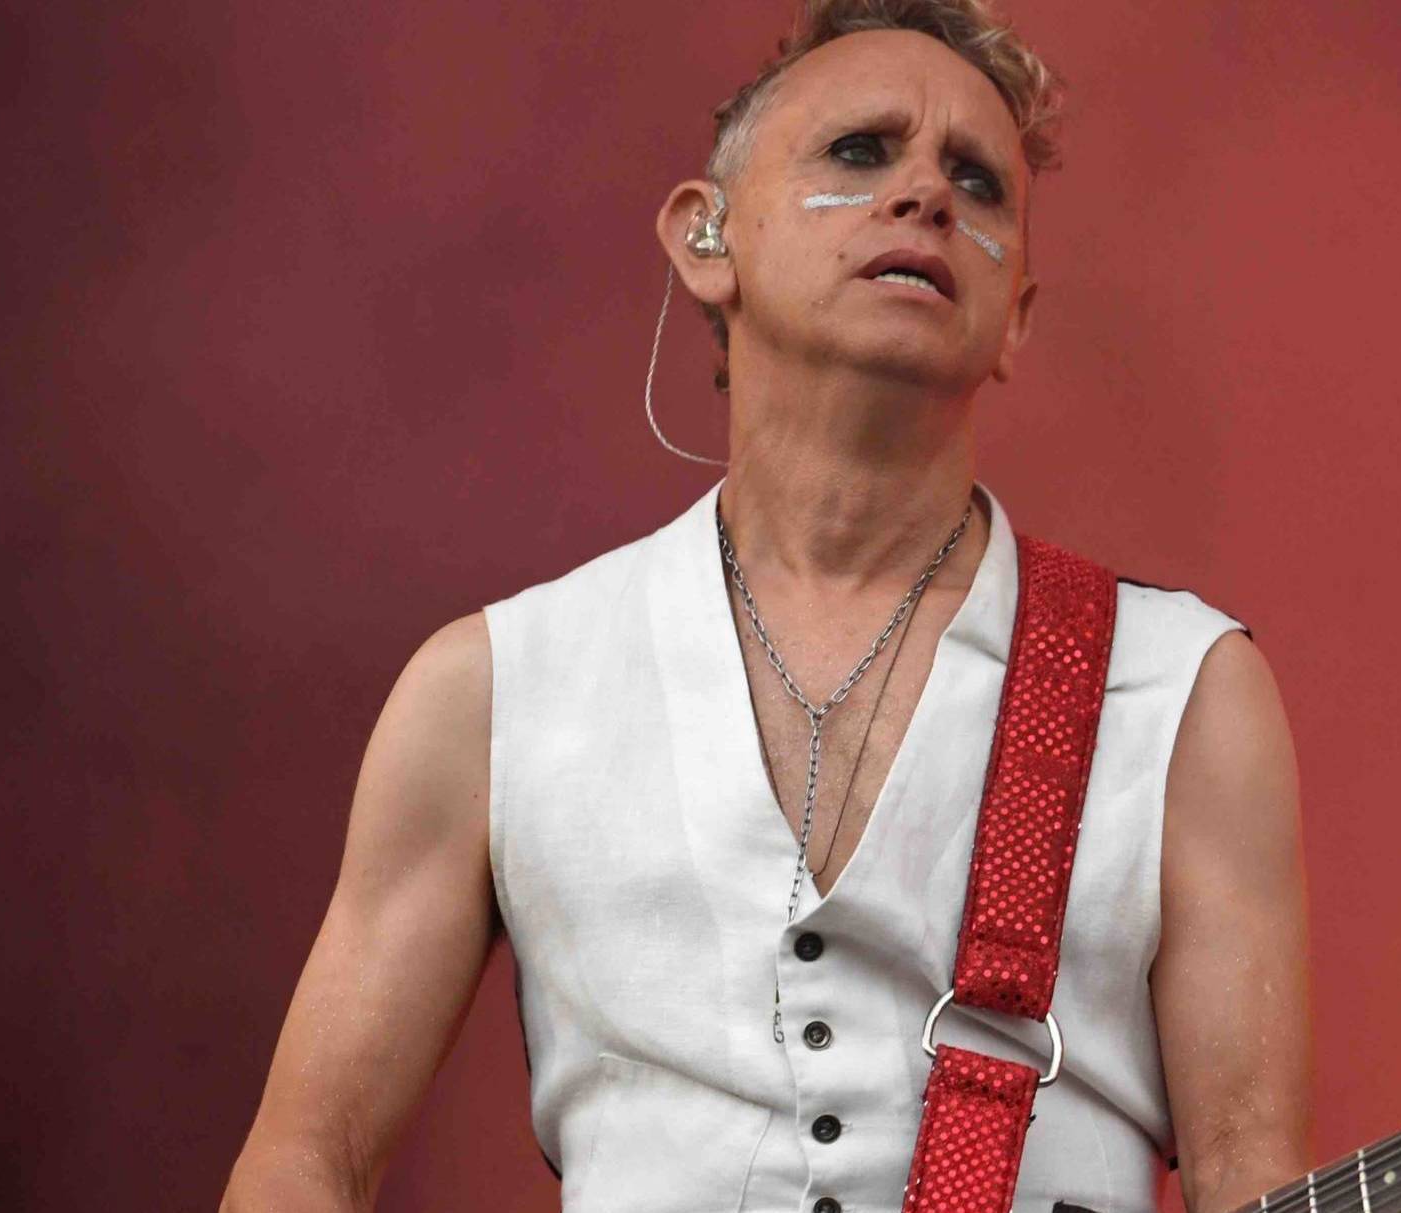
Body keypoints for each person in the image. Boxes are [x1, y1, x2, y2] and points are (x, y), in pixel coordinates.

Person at [221, 2, 1308, 1209]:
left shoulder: (1180, 691)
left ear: (1016, 317)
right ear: (706, 237)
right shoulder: (491, 687)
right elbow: (304, 1159)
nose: (924, 196)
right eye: (860, 151)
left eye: (976, 183)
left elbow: (1246, 1168)